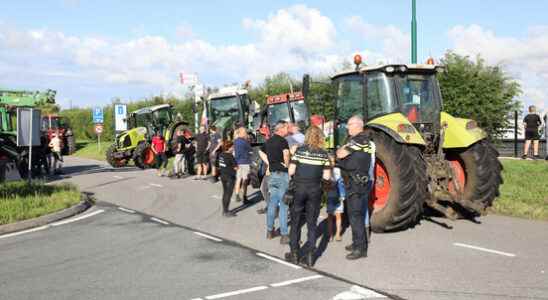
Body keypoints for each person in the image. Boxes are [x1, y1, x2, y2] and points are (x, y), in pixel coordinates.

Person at [285, 126, 331, 266]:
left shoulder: (300, 151)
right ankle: (311, 256)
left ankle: (294, 253)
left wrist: (293, 158)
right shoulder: (324, 154)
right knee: (312, 223)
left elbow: (291, 172)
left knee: (295, 221)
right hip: (315, 190)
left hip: (299, 189)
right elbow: (327, 177)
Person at [336, 115, 374, 260]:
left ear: (358, 125)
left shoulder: (359, 140)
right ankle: (357, 242)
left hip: (356, 184)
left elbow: (340, 153)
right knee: (354, 215)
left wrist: (342, 150)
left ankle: (360, 249)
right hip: (358, 183)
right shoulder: (363, 140)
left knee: (355, 216)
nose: (347, 127)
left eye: (349, 124)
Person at [259, 120, 290, 244]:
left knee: (272, 202)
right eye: (287, 128)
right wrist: (286, 166)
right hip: (282, 174)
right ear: (281, 128)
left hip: (272, 174)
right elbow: (286, 154)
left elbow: (261, 152)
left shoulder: (269, 141)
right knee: (283, 205)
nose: (288, 130)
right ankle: (284, 235)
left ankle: (270, 231)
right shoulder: (283, 141)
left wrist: (269, 163)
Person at [326, 158, 346, 242]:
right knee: (331, 216)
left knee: (336, 216)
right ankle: (332, 234)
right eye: (331, 161)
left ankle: (336, 234)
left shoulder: (328, 171)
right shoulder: (335, 170)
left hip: (334, 196)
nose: (332, 163)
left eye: (333, 161)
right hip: (334, 196)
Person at [218, 140, 237, 217]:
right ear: (229, 147)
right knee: (228, 194)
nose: (233, 148)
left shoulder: (221, 154)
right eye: (232, 147)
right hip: (230, 177)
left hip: (223, 176)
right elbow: (236, 167)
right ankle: (226, 211)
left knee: (225, 193)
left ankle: (224, 210)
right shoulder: (230, 156)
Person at [234, 127, 252, 203]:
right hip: (245, 163)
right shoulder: (245, 142)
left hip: (238, 162)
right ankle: (244, 197)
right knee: (245, 180)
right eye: (245, 132)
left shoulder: (235, 141)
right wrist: (248, 140)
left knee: (238, 179)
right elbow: (250, 150)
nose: (246, 133)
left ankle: (237, 195)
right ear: (241, 133)